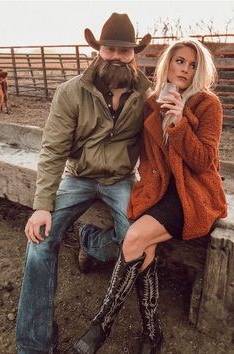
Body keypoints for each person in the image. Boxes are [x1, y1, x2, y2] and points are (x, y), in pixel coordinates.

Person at [71, 38, 227, 354]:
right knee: (145, 245)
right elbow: (144, 154)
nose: (185, 69)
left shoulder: (208, 104)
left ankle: (100, 326)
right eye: (180, 61)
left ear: (200, 71)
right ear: (168, 63)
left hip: (193, 194)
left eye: (193, 64)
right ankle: (152, 332)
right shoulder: (152, 101)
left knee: (133, 239)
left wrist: (182, 121)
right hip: (158, 190)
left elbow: (202, 162)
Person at [15, 13, 152, 354]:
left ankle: (90, 242)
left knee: (137, 240)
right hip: (77, 177)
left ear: (135, 53)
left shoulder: (147, 96)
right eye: (110, 49)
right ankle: (35, 343)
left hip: (121, 179)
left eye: (125, 50)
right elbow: (53, 149)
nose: (117, 56)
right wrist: (42, 205)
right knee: (40, 238)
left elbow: (160, 146)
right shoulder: (71, 92)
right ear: (98, 50)